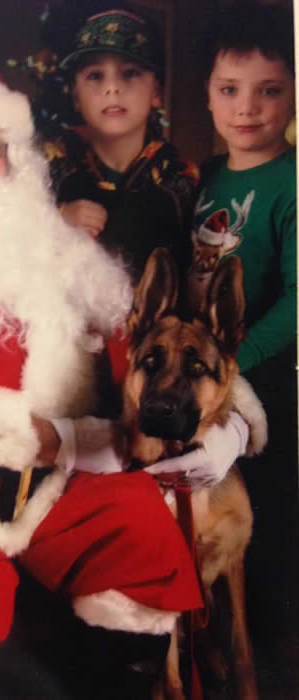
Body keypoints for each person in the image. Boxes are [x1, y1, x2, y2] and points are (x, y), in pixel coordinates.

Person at [0, 35, 257, 700]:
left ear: (11, 163)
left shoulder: (47, 246)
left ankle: (115, 676)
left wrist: (226, 423)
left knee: (145, 541)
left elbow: (136, 351)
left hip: (59, 481)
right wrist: (34, 436)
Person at [191, 0, 297, 685]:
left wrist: (237, 363)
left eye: (269, 90)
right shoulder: (202, 178)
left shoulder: (291, 181)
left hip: (265, 381)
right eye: (229, 89)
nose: (247, 108)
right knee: (207, 523)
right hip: (204, 389)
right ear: (207, 94)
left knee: (266, 533)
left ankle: (275, 663)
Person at [30, 1, 199, 287]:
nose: (112, 88)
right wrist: (58, 222)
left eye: (130, 73)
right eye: (95, 76)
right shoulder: (53, 170)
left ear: (156, 92)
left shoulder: (182, 180)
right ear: (76, 97)